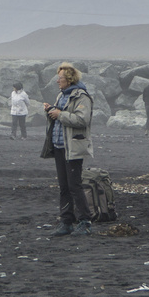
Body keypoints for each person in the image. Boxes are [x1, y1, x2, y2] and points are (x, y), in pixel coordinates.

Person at [44, 62, 95, 236]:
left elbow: (82, 120)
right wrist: (51, 111)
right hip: (59, 146)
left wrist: (59, 114)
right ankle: (66, 222)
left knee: (74, 185)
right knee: (64, 186)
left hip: (72, 147)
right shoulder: (62, 95)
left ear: (69, 79)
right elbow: (61, 117)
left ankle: (85, 222)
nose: (57, 81)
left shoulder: (82, 97)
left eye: (60, 78)